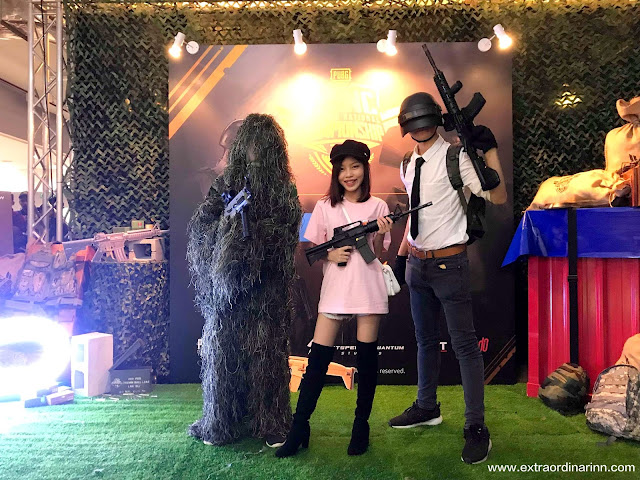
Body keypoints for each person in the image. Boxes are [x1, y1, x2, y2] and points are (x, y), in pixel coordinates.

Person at [388, 92, 507, 464]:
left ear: (436, 122)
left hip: (449, 265)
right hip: (417, 264)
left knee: (465, 346)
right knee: (424, 340)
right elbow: (415, 213)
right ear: (406, 127)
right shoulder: (407, 162)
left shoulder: (456, 157)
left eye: (423, 121)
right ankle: (427, 406)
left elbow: (498, 196)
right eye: (414, 123)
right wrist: (401, 257)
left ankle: (476, 427)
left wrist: (489, 150)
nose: (420, 128)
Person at [276, 139, 394, 458]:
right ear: (335, 174)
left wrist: (382, 233)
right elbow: (308, 248)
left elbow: (377, 253)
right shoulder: (326, 206)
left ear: (365, 168)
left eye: (355, 167)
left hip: (368, 287)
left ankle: (361, 426)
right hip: (336, 289)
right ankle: (299, 427)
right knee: (317, 362)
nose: (349, 174)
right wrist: (330, 253)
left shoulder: (378, 207)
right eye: (342, 169)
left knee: (366, 361)